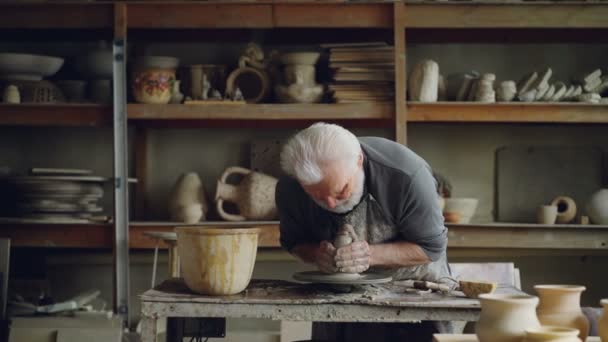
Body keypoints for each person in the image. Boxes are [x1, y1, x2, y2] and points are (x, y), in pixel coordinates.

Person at [275, 122, 452, 341]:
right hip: (339, 295)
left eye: (341, 191)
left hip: (415, 292)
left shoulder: (405, 174)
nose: (330, 204)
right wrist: (316, 255)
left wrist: (368, 256)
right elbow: (294, 242)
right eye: (318, 196)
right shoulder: (290, 187)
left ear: (359, 161)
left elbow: (431, 247)